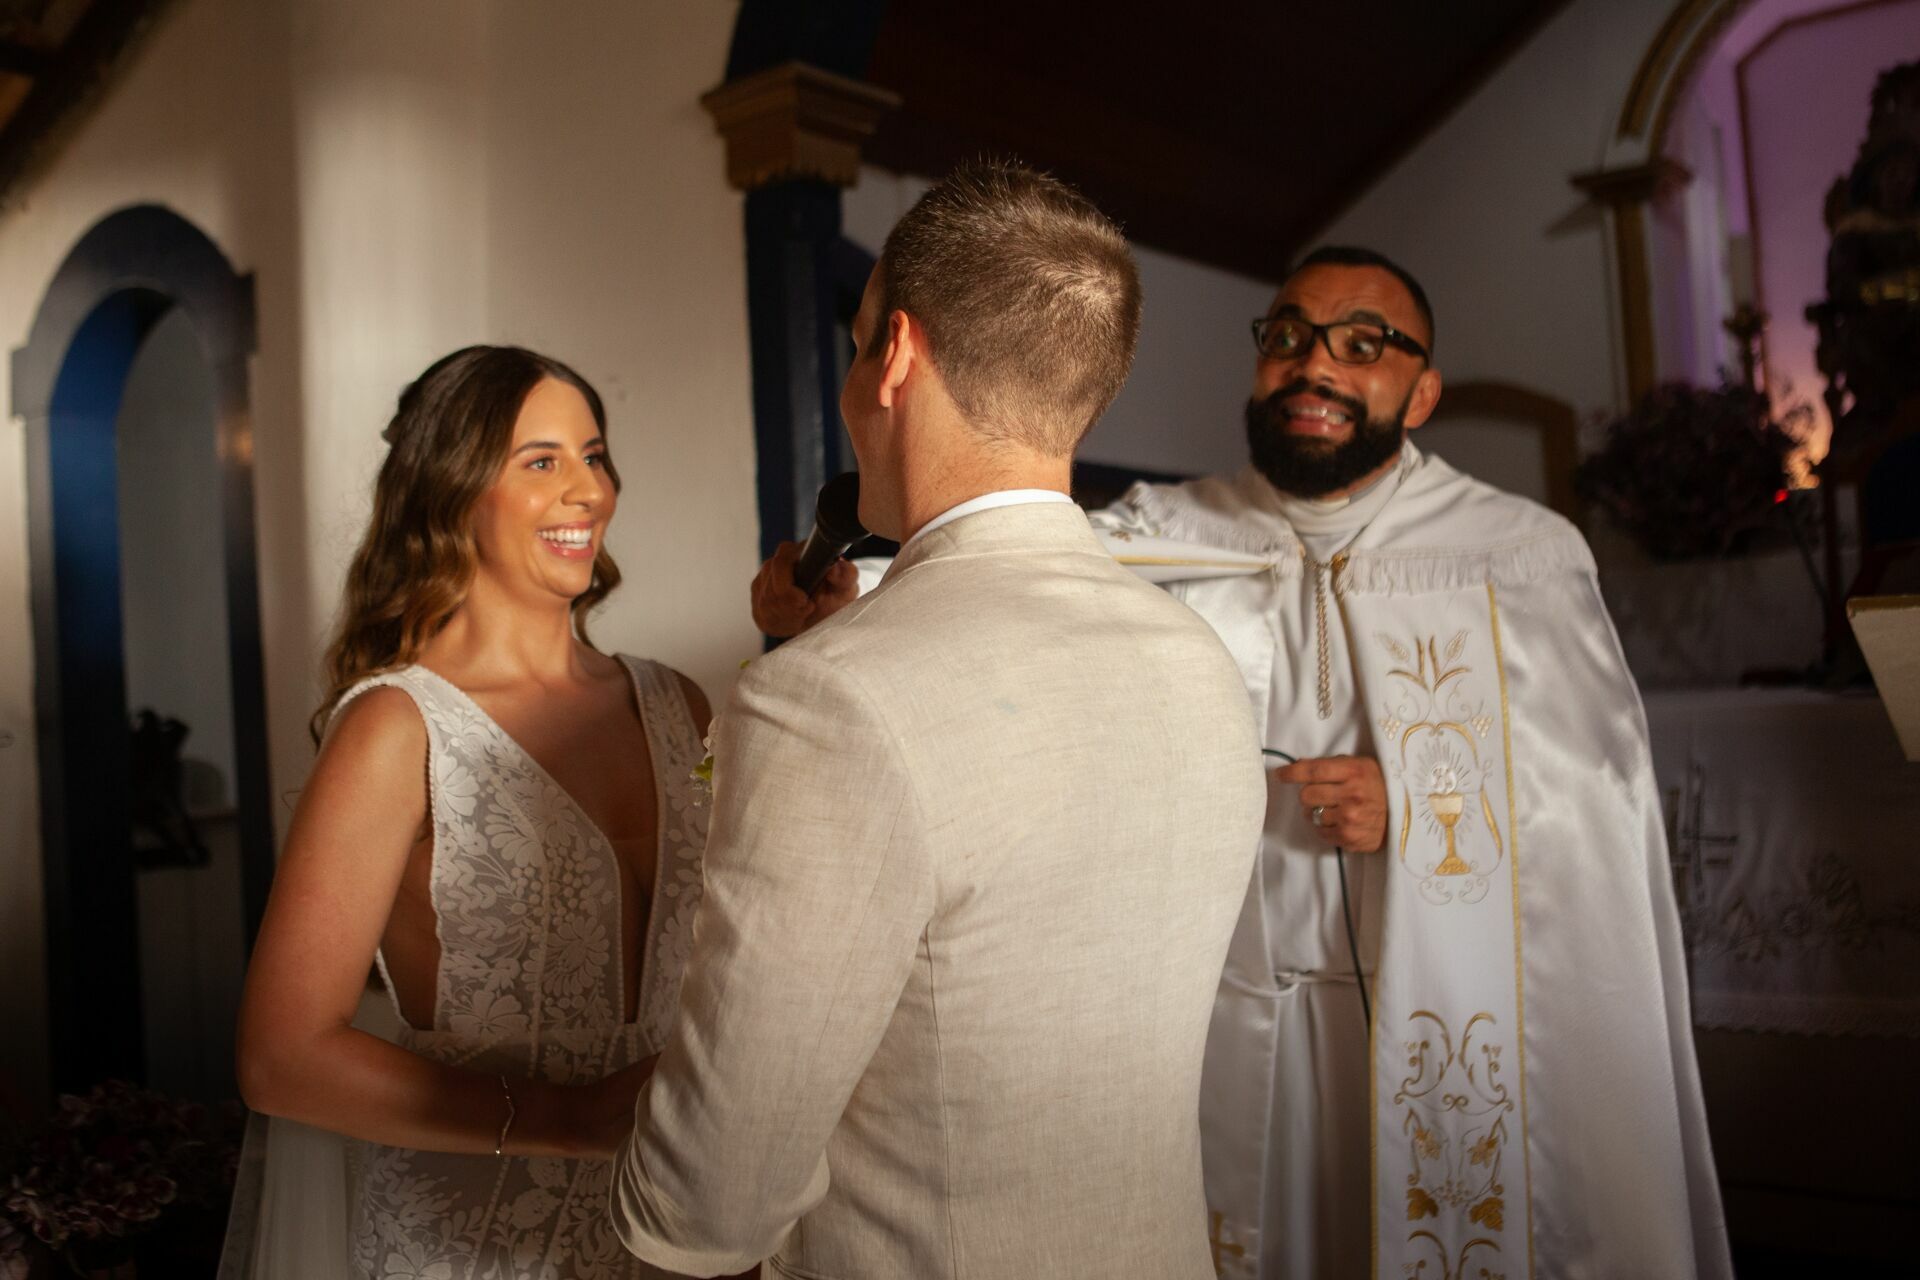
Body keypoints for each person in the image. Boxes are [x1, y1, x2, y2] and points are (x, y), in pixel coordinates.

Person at [759, 247, 1733, 1278]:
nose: (1314, 365)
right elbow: (999, 598)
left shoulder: (1519, 551)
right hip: (1215, 1018)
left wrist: (1421, 803)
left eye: (1362, 345)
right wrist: (844, 594)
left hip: (1432, 1016)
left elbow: (1604, 794)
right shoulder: (1158, 531)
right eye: (1287, 337)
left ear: (1425, 389)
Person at [609, 161, 1267, 1279]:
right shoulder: (1198, 656)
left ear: (897, 351)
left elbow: (711, 1201)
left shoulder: (831, 702)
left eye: (858, 342)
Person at [227, 346, 717, 1280]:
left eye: (595, 454)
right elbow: (281, 1057)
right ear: (452, 490)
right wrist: (572, 1120)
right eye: (542, 462)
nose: (589, 491)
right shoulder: (396, 729)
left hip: (661, 1240)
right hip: (468, 1245)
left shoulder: (677, 707)